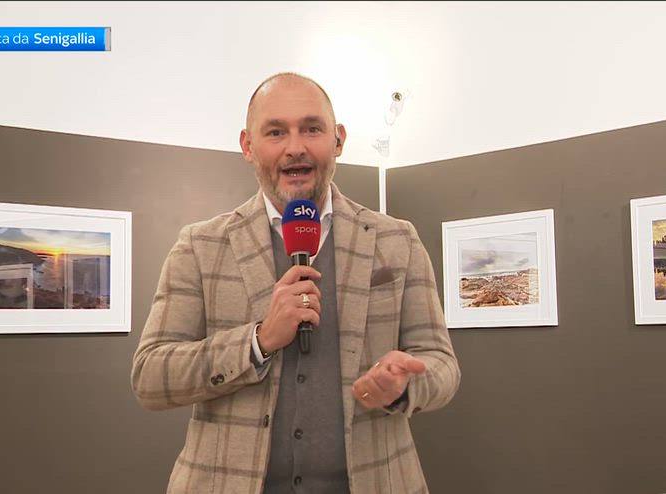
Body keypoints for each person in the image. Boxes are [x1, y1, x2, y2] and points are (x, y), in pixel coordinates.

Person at [131, 72, 460, 493]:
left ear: (338, 140)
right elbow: (150, 377)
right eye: (275, 132)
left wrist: (404, 385)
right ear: (248, 146)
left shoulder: (397, 240)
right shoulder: (200, 246)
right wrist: (258, 341)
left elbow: (442, 364)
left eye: (312, 128)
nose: (295, 147)